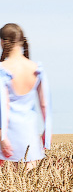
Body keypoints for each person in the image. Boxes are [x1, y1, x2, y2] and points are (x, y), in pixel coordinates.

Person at [0, 23, 51, 168]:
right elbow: (44, 104)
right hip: (29, 133)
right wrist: (47, 131)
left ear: (2, 42)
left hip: (7, 133)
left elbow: (3, 105)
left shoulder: (3, 69)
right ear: (22, 41)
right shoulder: (37, 68)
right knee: (30, 178)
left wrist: (2, 136)